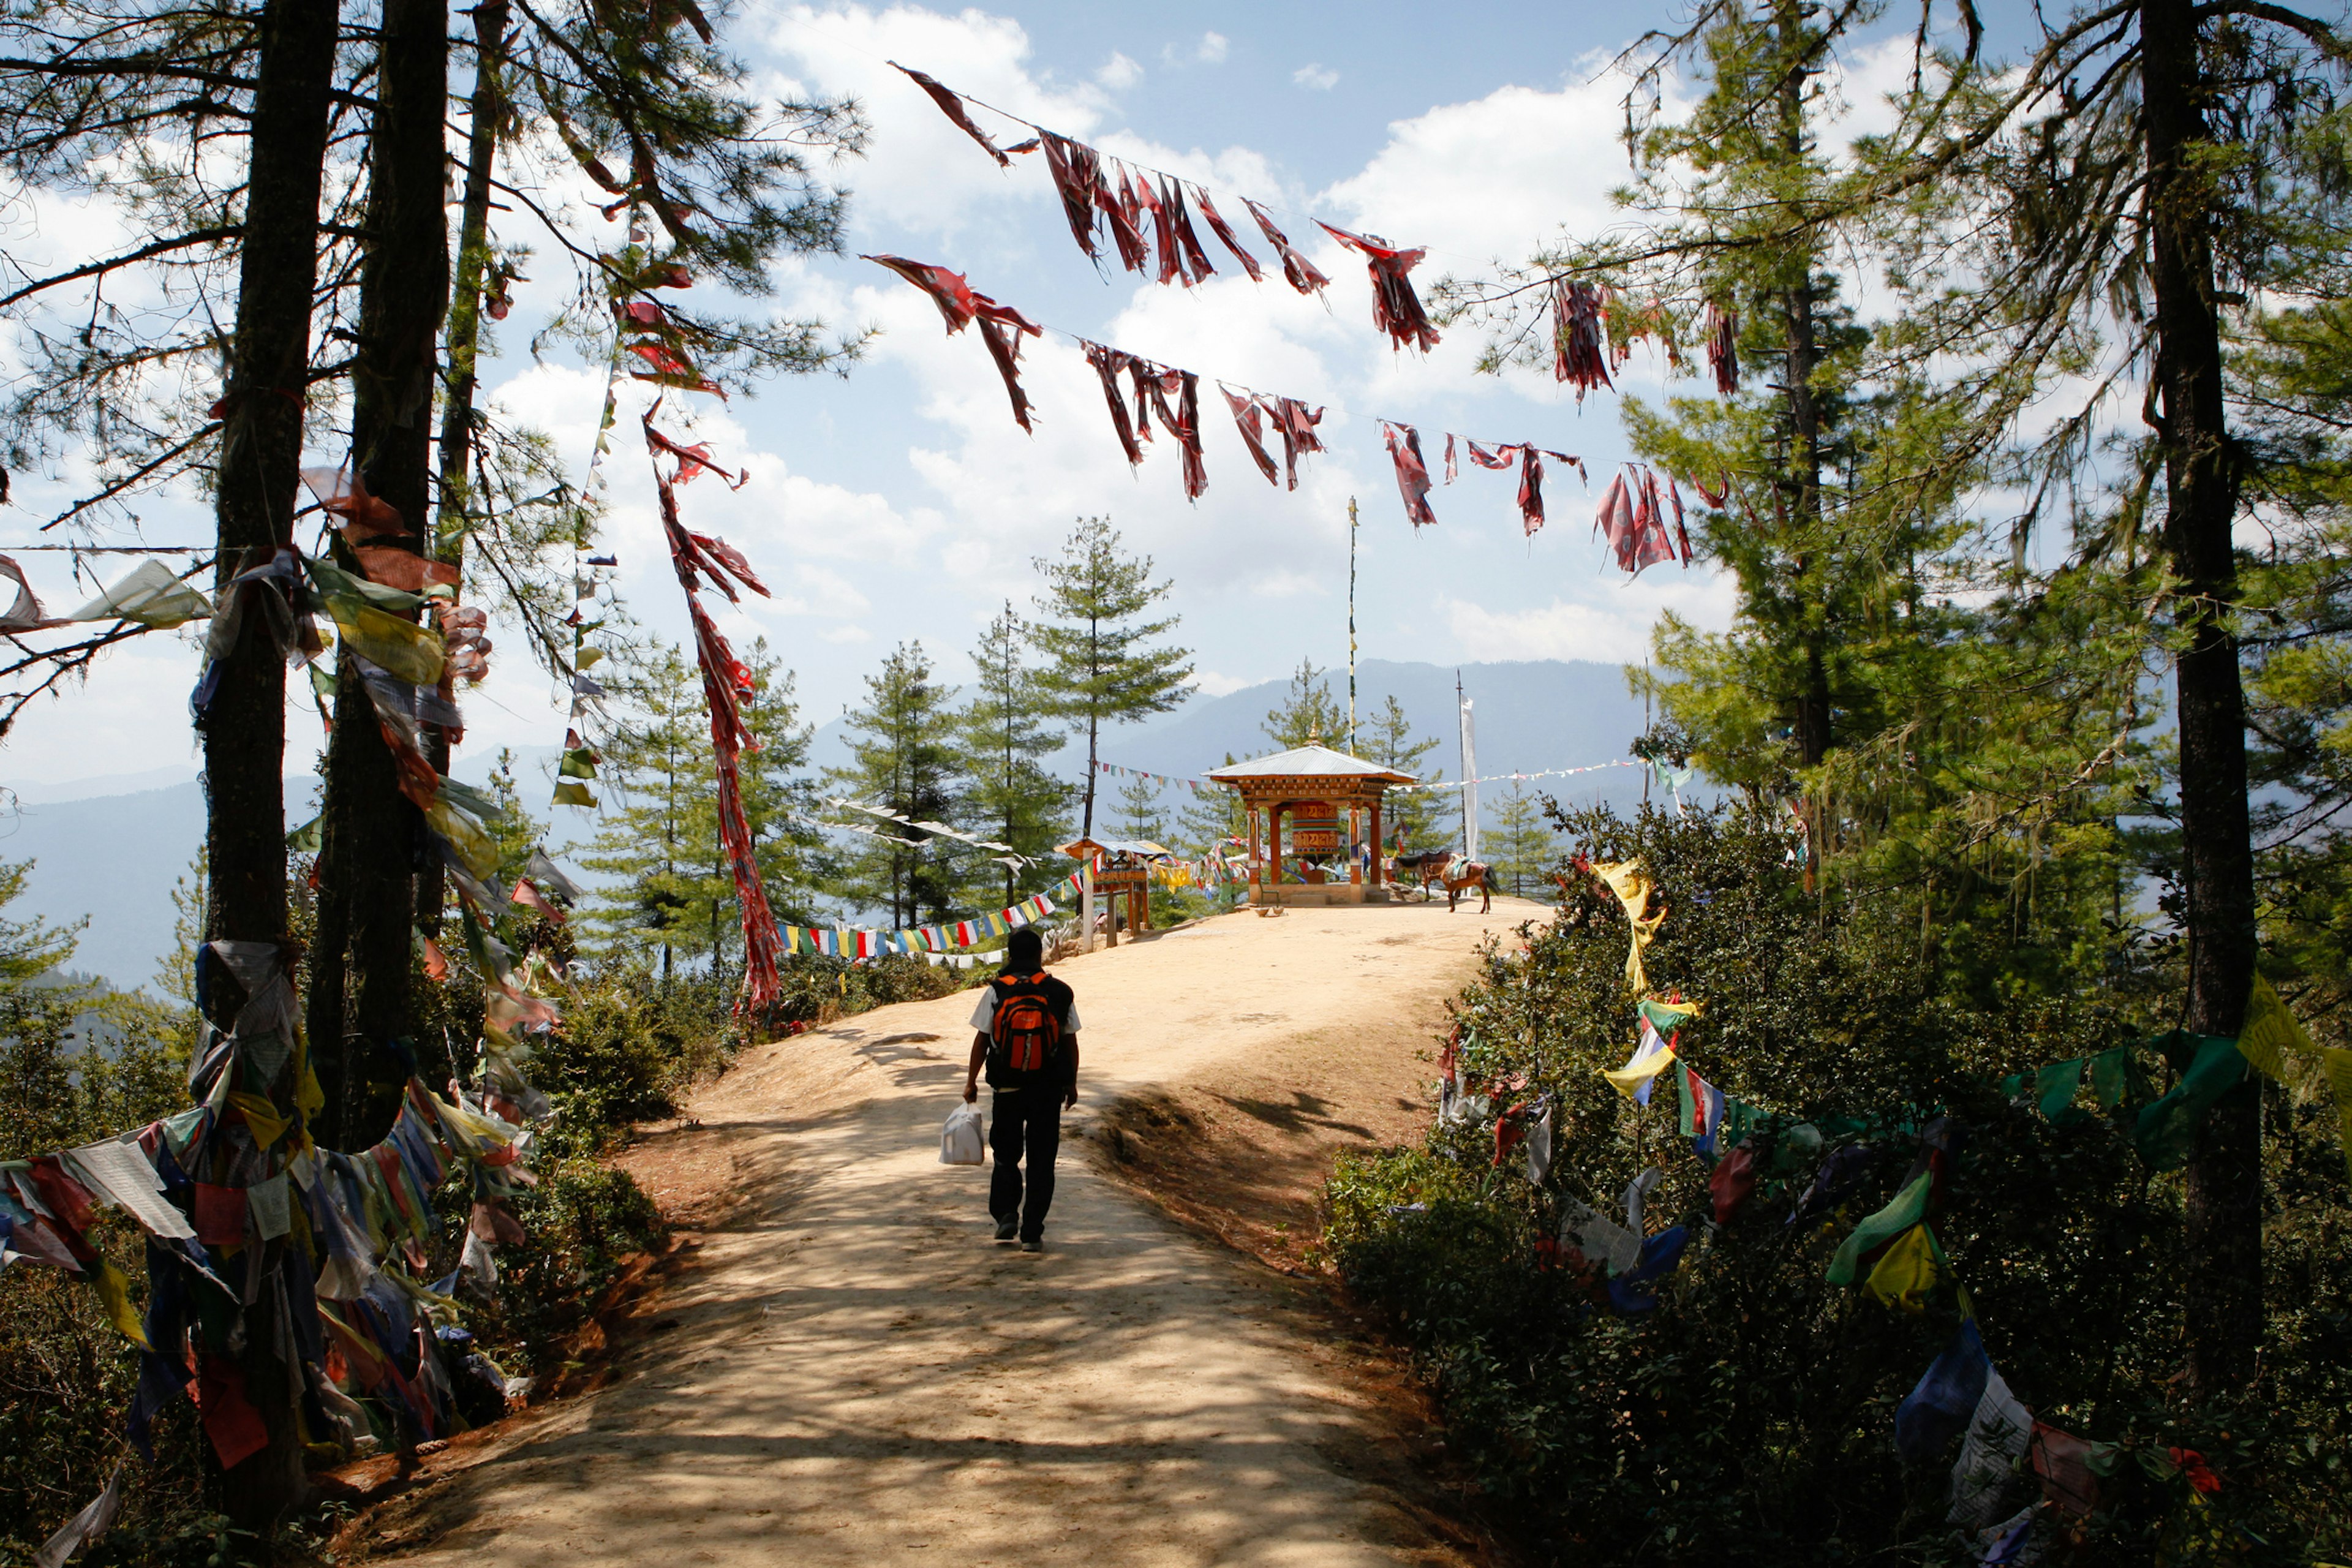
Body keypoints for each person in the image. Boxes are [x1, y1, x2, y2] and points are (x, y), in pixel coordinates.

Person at [962, 926, 1080, 1253]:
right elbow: (1070, 1041)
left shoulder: (997, 991)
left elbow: (982, 1039)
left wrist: (971, 1082)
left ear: (1010, 955)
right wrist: (1071, 1083)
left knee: (1006, 1156)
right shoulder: (1059, 992)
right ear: (1040, 954)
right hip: (1047, 1089)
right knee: (1042, 1160)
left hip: (1007, 1087)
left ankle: (1006, 1214)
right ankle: (1032, 1233)